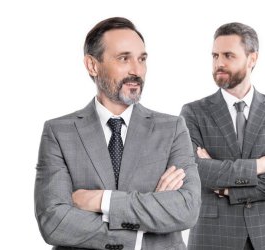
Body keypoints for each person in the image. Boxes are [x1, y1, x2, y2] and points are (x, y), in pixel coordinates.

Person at [34, 17, 201, 250]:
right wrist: (148, 218)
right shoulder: (59, 132)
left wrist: (102, 200)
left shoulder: (172, 128)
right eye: (124, 58)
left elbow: (187, 209)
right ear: (93, 65)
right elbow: (53, 221)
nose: (137, 70)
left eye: (142, 59)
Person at [180, 22, 265, 250]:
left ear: (252, 58)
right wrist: (257, 166)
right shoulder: (193, 113)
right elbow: (194, 171)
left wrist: (229, 190)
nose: (219, 63)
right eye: (215, 55)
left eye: (228, 55)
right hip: (215, 235)